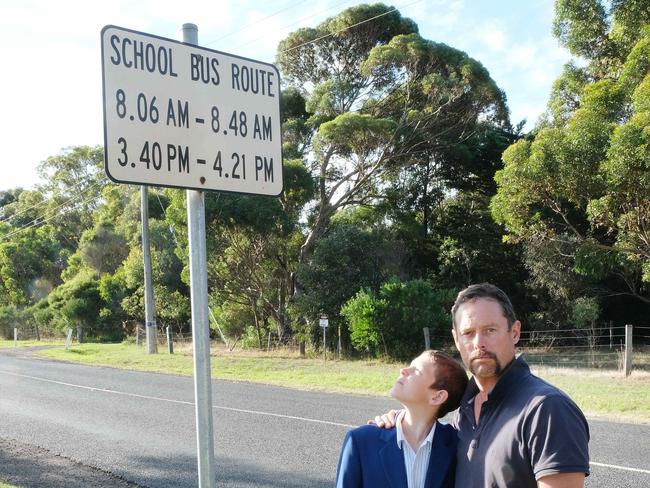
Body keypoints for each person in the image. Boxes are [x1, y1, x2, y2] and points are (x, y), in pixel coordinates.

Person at [374, 283, 590, 488]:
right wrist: (402, 422)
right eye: (468, 333)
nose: (479, 343)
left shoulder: (547, 409)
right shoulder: (464, 410)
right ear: (457, 340)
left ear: (514, 332)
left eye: (490, 330)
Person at [336, 350, 468, 488]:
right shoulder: (360, 441)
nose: (403, 370)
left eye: (417, 371)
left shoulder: (457, 446)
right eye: (410, 365)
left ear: (437, 397)